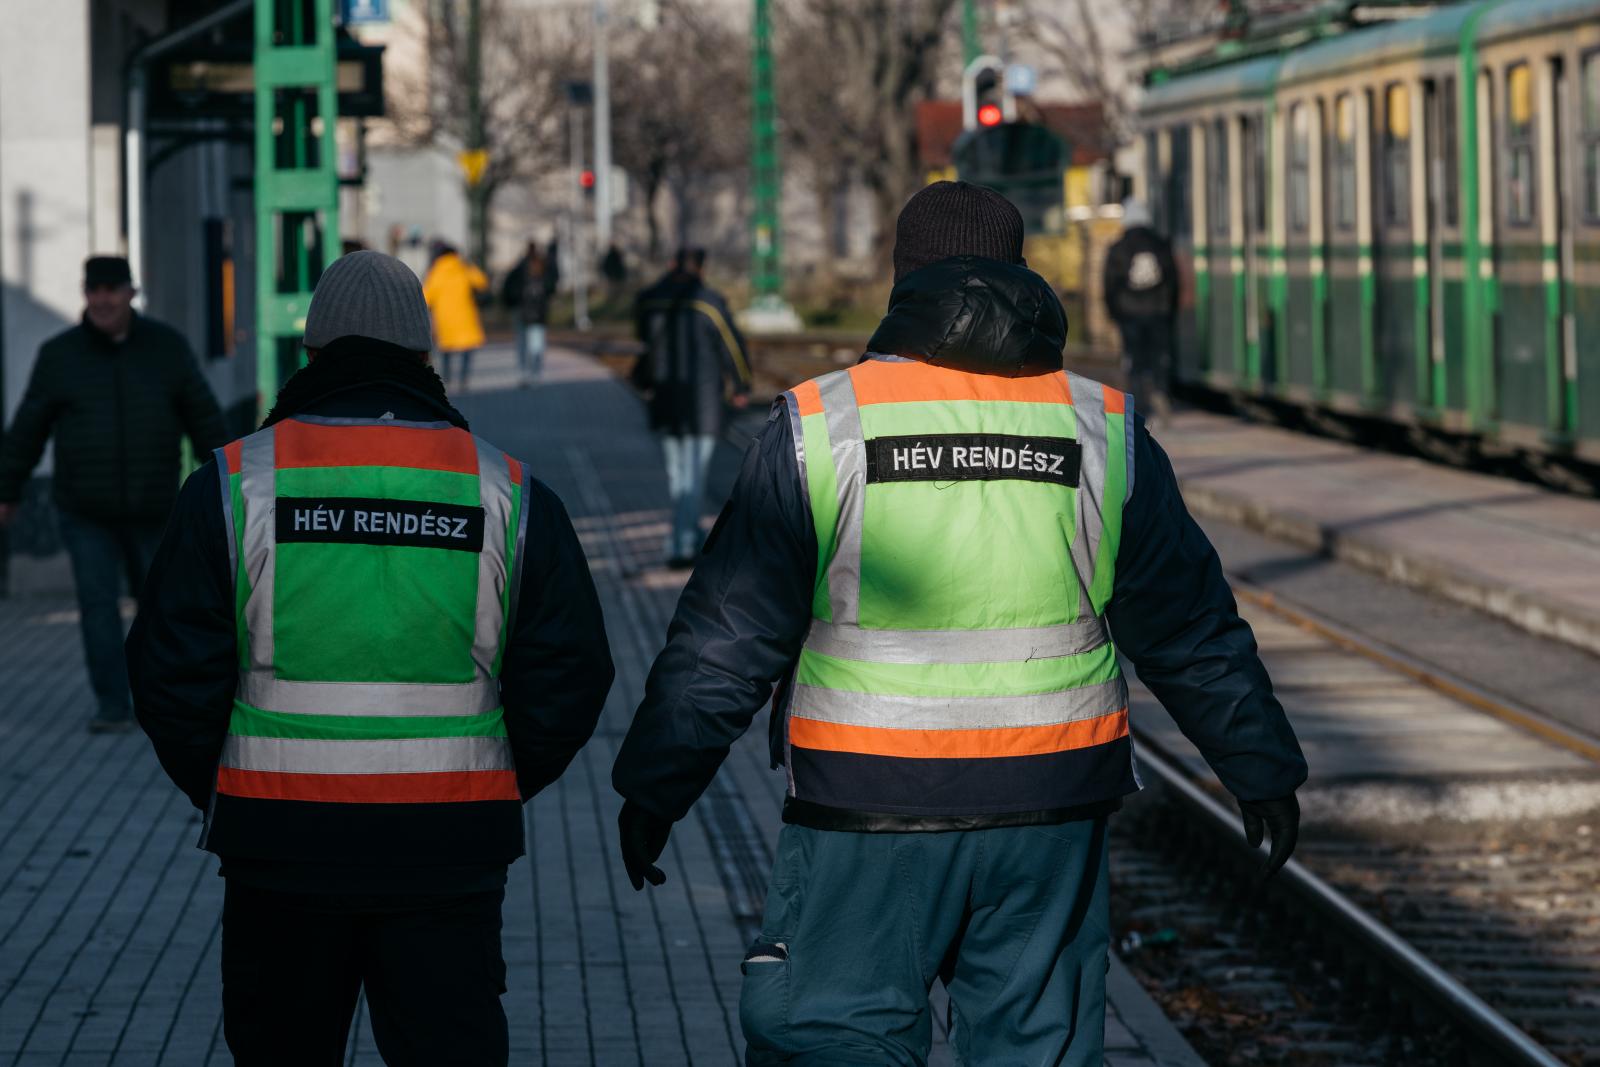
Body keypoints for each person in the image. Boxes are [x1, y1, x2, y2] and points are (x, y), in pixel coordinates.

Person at [611, 182, 1305, 1065]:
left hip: (865, 811)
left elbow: (727, 640)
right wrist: (1261, 768)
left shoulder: (821, 424)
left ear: (905, 281)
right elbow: (1189, 625)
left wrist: (655, 787)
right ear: (1020, 276)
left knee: (839, 1041)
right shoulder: (1103, 428)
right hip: (1050, 816)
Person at [126, 251, 614, 1065]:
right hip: (449, 854)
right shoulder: (507, 488)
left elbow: (169, 673)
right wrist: (490, 774)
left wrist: (229, 783)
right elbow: (572, 671)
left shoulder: (235, 482)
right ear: (424, 356)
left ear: (311, 354)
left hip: (279, 846)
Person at [0, 255, 226, 733]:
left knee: (163, 609)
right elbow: (28, 429)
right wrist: (8, 489)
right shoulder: (60, 355)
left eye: (112, 289)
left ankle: (162, 700)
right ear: (85, 294)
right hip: (85, 511)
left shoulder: (166, 349)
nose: (102, 299)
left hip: (153, 507)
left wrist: (235, 481)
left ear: (130, 292)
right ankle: (112, 705)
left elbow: (203, 418)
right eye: (93, 290)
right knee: (98, 608)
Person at [631, 248, 752, 567]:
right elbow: (732, 347)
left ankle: (689, 533)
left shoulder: (649, 300)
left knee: (678, 476)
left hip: (664, 400)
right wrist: (741, 385)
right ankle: (681, 545)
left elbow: (642, 337)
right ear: (701, 267)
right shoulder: (708, 302)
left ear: (671, 264)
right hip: (703, 403)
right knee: (694, 476)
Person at [1103, 198, 1180, 426]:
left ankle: (1138, 407)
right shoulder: (1161, 244)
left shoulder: (1118, 248)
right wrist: (1169, 310)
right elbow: (1172, 281)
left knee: (1134, 360)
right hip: (1158, 312)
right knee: (1160, 357)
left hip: (1129, 314)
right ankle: (1160, 391)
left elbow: (1109, 284)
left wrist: (1114, 313)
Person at [423, 241, 489, 390]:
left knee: (446, 350)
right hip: (465, 318)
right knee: (467, 349)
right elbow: (482, 282)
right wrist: (470, 265)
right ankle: (464, 379)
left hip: (445, 320)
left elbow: (426, 298)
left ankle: (447, 379)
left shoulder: (436, 272)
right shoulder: (463, 268)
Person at [502, 241, 555, 384]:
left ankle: (525, 372)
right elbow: (551, 288)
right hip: (536, 314)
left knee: (524, 344)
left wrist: (511, 303)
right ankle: (534, 373)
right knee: (534, 345)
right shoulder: (543, 271)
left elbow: (507, 287)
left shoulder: (519, 268)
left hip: (523, 312)